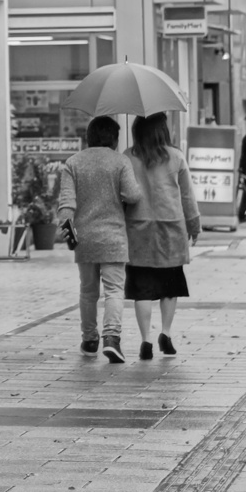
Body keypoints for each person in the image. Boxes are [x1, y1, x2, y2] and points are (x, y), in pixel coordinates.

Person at [58, 115, 142, 364]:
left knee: (88, 291)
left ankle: (90, 340)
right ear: (114, 139)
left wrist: (70, 235)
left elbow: (66, 206)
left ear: (89, 137)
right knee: (114, 290)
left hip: (84, 239)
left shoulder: (73, 163)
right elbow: (132, 195)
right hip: (114, 237)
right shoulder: (120, 161)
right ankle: (112, 339)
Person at [124, 112, 200, 360]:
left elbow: (122, 195)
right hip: (171, 229)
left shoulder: (128, 158)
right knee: (170, 285)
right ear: (162, 131)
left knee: (142, 287)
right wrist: (194, 225)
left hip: (138, 229)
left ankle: (145, 339)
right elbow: (187, 196)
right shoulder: (176, 157)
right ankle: (165, 333)